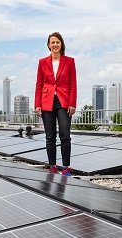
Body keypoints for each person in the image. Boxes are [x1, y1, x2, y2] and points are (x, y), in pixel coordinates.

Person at [35, 32, 77, 176]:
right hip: (46, 101)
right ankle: (52, 166)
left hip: (63, 101)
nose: (55, 45)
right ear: (48, 45)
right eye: (52, 42)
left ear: (61, 44)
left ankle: (66, 167)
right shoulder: (42, 62)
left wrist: (72, 103)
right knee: (50, 136)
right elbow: (39, 84)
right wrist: (37, 104)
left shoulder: (69, 61)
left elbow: (73, 84)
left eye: (57, 42)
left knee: (65, 134)